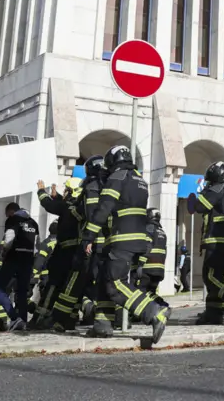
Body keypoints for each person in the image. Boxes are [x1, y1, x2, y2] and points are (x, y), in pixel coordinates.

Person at [81, 145, 168, 341]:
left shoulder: (118, 177)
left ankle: (153, 312)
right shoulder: (139, 179)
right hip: (138, 239)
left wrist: (89, 236)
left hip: (122, 238)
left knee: (115, 283)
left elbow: (104, 208)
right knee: (105, 280)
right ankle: (102, 324)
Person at [51, 155, 106, 331]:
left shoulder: (90, 187)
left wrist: (88, 239)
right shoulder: (109, 186)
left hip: (90, 244)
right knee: (103, 283)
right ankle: (103, 318)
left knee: (74, 282)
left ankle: (62, 320)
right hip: (107, 244)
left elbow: (89, 215)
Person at [188, 161, 224, 325]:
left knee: (211, 276)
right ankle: (214, 314)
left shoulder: (218, 188)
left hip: (217, 240)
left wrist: (197, 195)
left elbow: (199, 207)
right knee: (217, 277)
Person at [33, 177, 84, 328]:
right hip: (77, 254)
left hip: (63, 254)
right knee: (71, 287)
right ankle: (68, 320)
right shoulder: (80, 206)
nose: (65, 193)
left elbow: (49, 205)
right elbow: (64, 205)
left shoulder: (67, 207)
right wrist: (58, 196)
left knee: (53, 285)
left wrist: (42, 191)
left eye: (66, 190)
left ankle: (40, 318)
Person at [0, 201, 38, 331]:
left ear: (11, 212)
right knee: (22, 292)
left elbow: (8, 239)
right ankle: (22, 321)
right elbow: (36, 246)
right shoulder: (34, 223)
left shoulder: (13, 220)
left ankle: (13, 317)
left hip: (13, 258)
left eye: (7, 214)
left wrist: (5, 251)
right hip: (28, 260)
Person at [140, 209, 168, 298]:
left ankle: (162, 307)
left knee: (141, 293)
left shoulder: (149, 228)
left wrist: (140, 263)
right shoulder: (162, 232)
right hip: (159, 269)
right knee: (151, 293)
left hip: (148, 267)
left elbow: (147, 246)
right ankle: (160, 308)